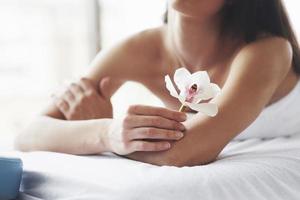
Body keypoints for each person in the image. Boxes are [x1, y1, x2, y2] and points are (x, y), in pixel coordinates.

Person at [14, 0, 300, 167]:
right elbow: (29, 135)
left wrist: (102, 138)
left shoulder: (269, 50)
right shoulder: (138, 49)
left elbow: (185, 150)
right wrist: (107, 131)